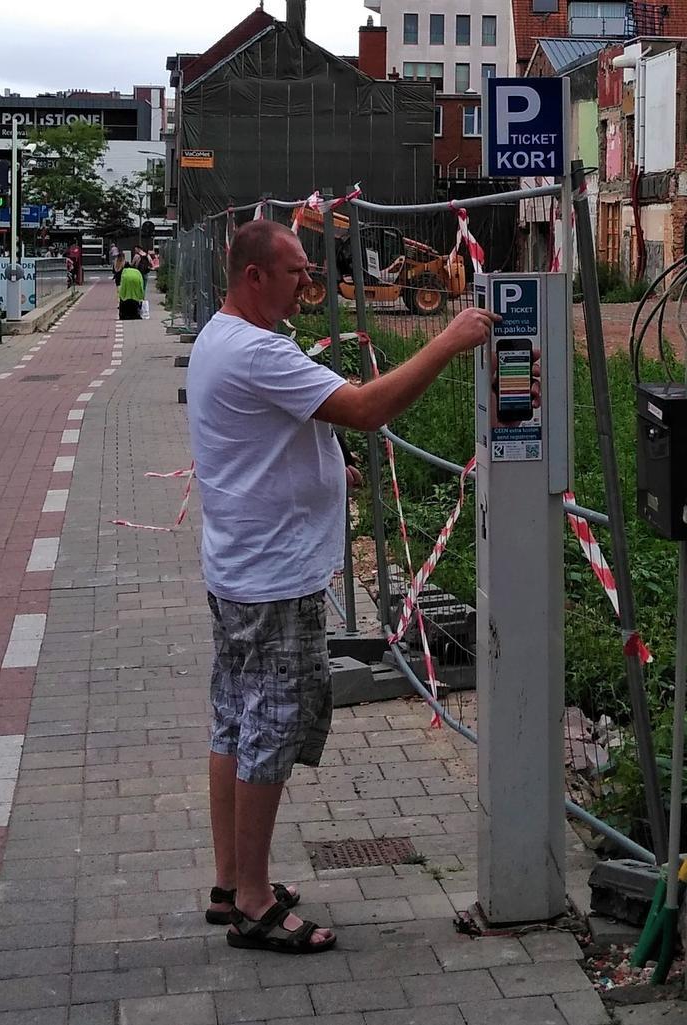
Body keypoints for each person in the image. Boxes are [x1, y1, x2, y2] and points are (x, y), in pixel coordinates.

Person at [186, 218, 522, 956]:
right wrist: (447, 340)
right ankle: (253, 901)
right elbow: (366, 408)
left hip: (240, 565)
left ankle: (229, 879)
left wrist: (330, 470)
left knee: (233, 720)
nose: (309, 283)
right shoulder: (257, 351)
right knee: (270, 726)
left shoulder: (220, 335)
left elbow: (274, 434)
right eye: (297, 272)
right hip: (272, 577)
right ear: (254, 278)